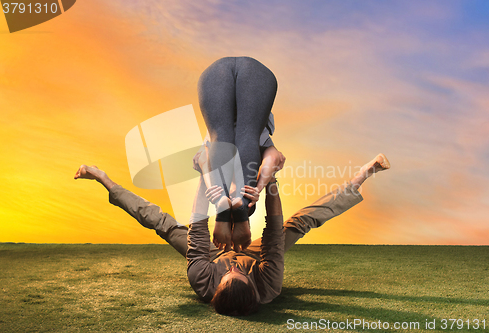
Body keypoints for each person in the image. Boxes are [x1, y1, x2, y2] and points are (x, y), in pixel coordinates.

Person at [74, 153, 390, 316]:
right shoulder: (268, 286)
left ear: (217, 286)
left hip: (210, 254)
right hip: (257, 254)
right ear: (252, 286)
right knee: (299, 223)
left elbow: (197, 224)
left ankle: (103, 179)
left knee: (161, 223)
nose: (235, 267)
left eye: (229, 275)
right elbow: (272, 238)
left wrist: (203, 176)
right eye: (241, 275)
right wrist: (272, 183)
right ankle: (362, 176)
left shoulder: (202, 279)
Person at [197, 56, 279, 252]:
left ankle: (228, 208)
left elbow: (201, 158)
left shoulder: (213, 163)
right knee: (243, 135)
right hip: (243, 77)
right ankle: (231, 208)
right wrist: (258, 187)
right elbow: (275, 158)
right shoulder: (217, 161)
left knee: (232, 136)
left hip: (221, 76)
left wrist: (217, 195)